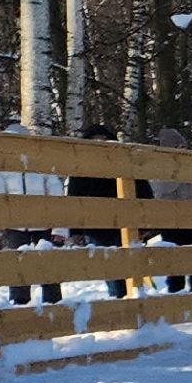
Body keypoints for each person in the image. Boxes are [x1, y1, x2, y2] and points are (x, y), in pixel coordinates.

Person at [66, 123, 153, 298]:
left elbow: (144, 191)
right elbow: (74, 199)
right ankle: (120, 302)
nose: (100, 144)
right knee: (112, 270)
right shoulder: (81, 168)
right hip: (97, 227)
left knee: (131, 266)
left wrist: (145, 223)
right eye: (95, 141)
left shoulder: (123, 162)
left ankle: (135, 302)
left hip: (126, 222)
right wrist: (75, 230)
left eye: (104, 141)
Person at [0, 119, 67, 305]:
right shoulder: (3, 169)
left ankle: (54, 305)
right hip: (15, 226)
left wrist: (60, 230)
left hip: (43, 224)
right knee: (18, 267)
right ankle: (18, 304)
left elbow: (57, 198)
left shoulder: (41, 164)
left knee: (47, 267)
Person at [150, 127, 192, 293]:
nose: (182, 151)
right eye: (177, 148)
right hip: (172, 222)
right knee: (175, 265)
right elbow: (159, 191)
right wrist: (179, 173)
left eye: (183, 147)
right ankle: (176, 295)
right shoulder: (159, 169)